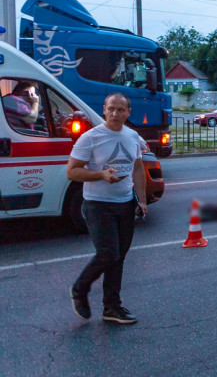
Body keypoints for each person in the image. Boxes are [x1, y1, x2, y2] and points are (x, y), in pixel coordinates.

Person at [67, 93, 148, 325]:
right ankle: (79, 289)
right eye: (111, 109)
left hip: (125, 204)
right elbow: (72, 171)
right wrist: (101, 175)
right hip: (97, 205)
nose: (115, 114)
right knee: (108, 253)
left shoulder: (133, 136)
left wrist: (141, 201)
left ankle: (112, 308)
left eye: (120, 110)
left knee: (118, 257)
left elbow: (138, 169)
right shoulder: (90, 138)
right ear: (104, 109)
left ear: (128, 112)